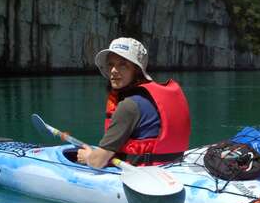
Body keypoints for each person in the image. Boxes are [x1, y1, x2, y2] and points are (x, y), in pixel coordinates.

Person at [77, 37, 191, 168]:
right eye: (110, 64)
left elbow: (98, 162)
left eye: (122, 64)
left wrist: (88, 157)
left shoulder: (129, 106)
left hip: (145, 174)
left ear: (136, 70)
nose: (114, 70)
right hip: (172, 166)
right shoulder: (151, 97)